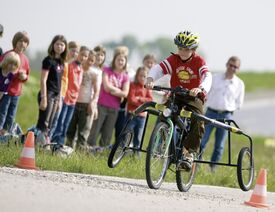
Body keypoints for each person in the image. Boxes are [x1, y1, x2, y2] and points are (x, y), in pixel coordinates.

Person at [145, 30, 212, 170]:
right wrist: (150, 79)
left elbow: (207, 76)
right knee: (164, 113)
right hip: (176, 95)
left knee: (198, 121)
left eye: (186, 49)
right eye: (180, 48)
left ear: (193, 50)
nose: (182, 52)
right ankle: (160, 143)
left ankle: (189, 154)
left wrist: (200, 89)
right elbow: (159, 68)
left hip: (193, 97)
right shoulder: (174, 59)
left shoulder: (198, 61)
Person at [200, 56, 245, 171]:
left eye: (235, 67)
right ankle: (197, 165)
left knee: (219, 145)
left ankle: (212, 168)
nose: (232, 68)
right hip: (210, 113)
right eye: (230, 65)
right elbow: (206, 93)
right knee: (202, 139)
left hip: (226, 115)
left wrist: (228, 108)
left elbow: (239, 102)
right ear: (226, 64)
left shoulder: (239, 84)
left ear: (238, 69)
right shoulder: (215, 78)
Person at [87, 47, 130, 149]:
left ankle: (102, 151)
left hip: (114, 108)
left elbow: (125, 93)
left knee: (108, 133)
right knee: (95, 130)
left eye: (122, 60)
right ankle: (88, 149)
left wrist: (114, 91)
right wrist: (119, 91)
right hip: (102, 105)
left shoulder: (125, 76)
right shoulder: (107, 70)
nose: (120, 62)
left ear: (125, 62)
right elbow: (106, 87)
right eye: (118, 59)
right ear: (114, 60)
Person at [51, 46, 89, 150]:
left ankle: (60, 145)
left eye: (86, 56)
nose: (83, 57)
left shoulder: (81, 68)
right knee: (60, 123)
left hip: (73, 101)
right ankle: (54, 143)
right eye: (82, 54)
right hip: (66, 99)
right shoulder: (70, 66)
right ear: (78, 54)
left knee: (66, 125)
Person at [36, 35, 67, 147]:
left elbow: (59, 83)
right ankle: (36, 144)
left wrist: (59, 100)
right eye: (57, 44)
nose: (59, 46)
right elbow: (43, 80)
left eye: (62, 44)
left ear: (65, 47)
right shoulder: (48, 60)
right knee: (43, 122)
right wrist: (44, 98)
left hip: (56, 96)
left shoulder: (62, 62)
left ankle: (44, 144)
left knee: (50, 123)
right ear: (53, 45)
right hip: (47, 94)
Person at [66, 50, 100, 151]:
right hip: (74, 103)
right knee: (70, 130)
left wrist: (93, 103)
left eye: (92, 61)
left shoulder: (94, 74)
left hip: (86, 105)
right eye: (88, 59)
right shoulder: (77, 69)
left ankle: (79, 153)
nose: (89, 62)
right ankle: (67, 150)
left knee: (83, 132)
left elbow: (96, 91)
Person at [0, 31, 30, 135]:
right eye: (20, 41)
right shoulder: (8, 54)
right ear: (15, 41)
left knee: (11, 116)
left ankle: (5, 135)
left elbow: (27, 76)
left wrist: (24, 77)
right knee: (2, 113)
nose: (23, 43)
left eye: (25, 42)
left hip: (16, 93)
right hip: (5, 92)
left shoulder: (25, 59)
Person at [49, 41, 80, 139]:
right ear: (67, 50)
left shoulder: (69, 63)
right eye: (72, 51)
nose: (74, 54)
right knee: (53, 120)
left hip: (62, 95)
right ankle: (47, 140)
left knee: (57, 121)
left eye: (76, 52)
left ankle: (52, 141)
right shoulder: (63, 62)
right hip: (57, 95)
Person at [126, 66, 152, 156]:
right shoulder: (133, 85)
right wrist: (143, 104)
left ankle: (136, 156)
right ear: (137, 75)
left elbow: (150, 100)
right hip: (132, 114)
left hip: (142, 117)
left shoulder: (146, 88)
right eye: (140, 76)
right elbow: (131, 99)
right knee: (127, 134)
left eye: (144, 76)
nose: (142, 78)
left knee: (138, 137)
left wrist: (140, 99)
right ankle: (123, 152)